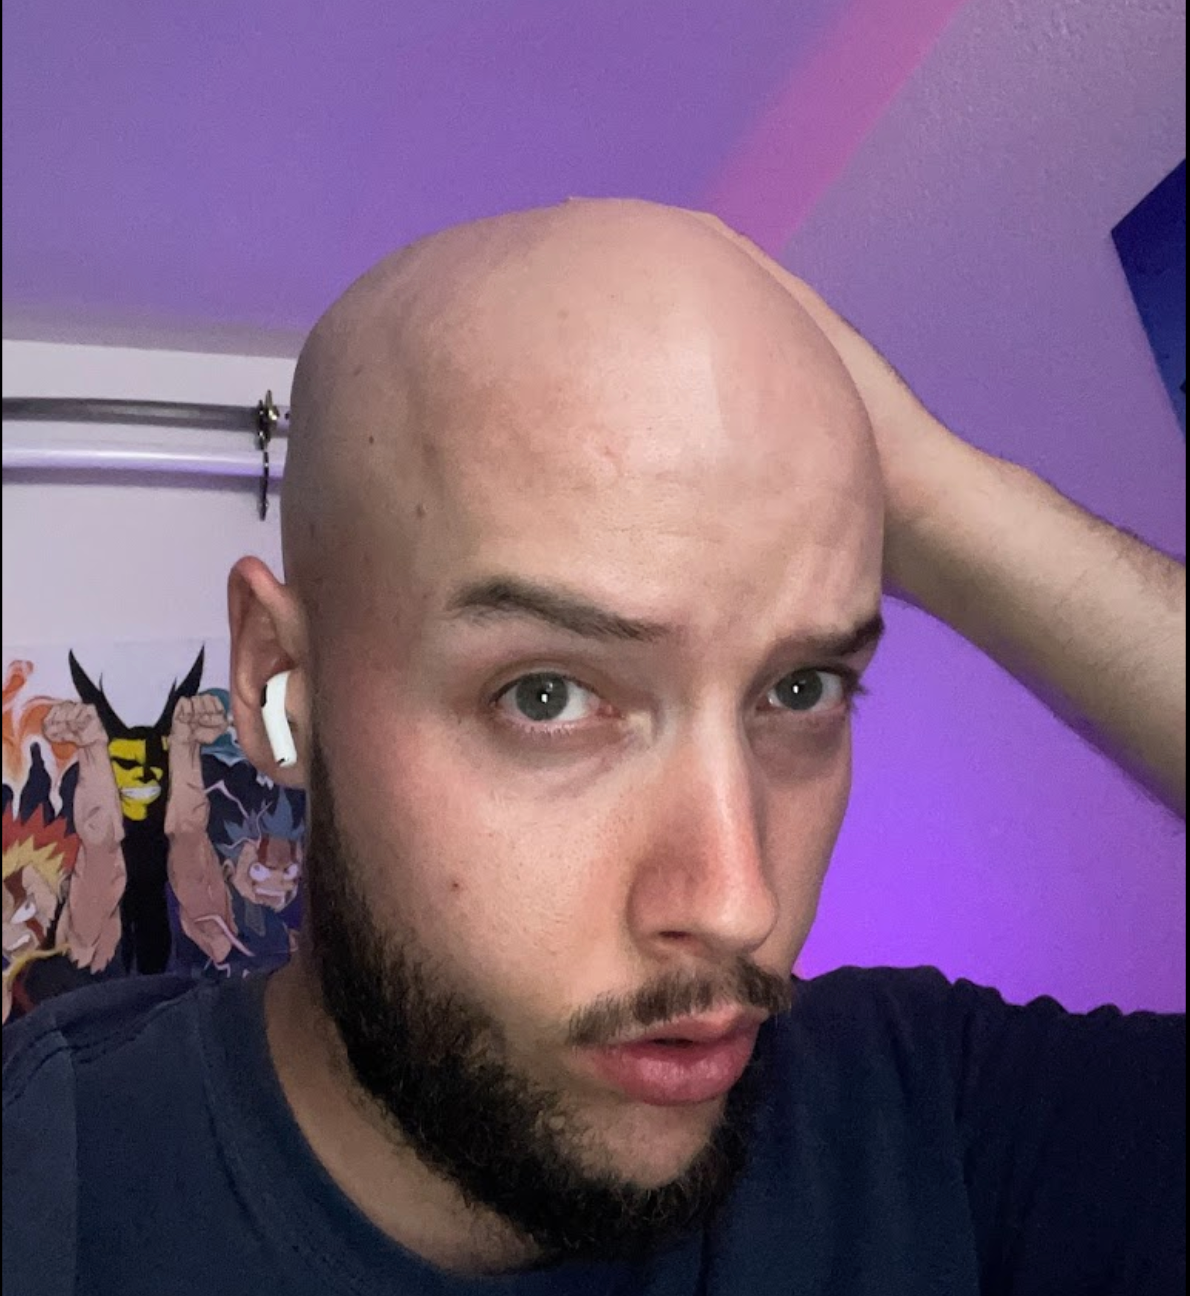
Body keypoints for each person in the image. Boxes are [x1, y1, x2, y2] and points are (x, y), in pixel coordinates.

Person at [3, 199, 1184, 1295]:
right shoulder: (51, 1185)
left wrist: (935, 498)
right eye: (548, 695)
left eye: (799, 688)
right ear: (281, 685)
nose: (737, 905)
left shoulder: (926, 1125)